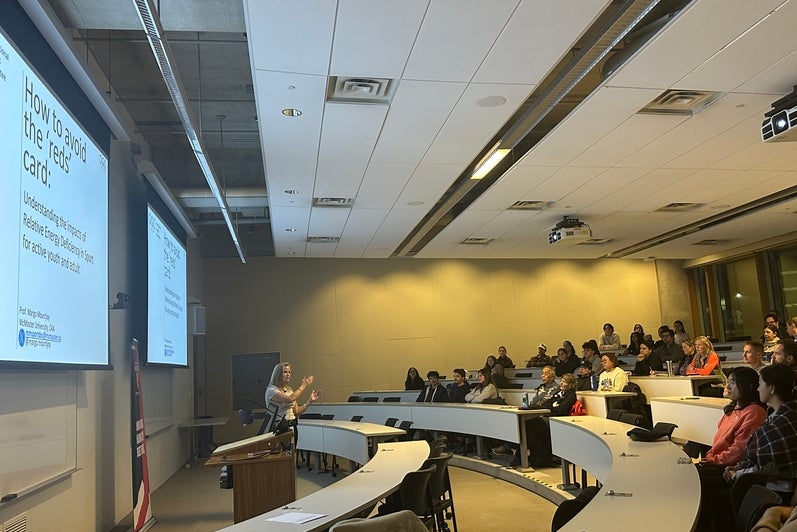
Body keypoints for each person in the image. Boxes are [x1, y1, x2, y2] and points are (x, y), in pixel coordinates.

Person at [695, 367, 768, 530]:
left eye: (733, 382)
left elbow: (738, 451)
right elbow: (719, 441)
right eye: (728, 382)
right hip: (718, 462)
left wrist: (712, 460)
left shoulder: (754, 412)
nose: (728, 386)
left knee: (695, 481)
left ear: (749, 386)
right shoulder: (732, 409)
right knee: (689, 474)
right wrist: (710, 457)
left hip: (731, 468)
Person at [265, 362, 322, 433]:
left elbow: (297, 411)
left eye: (289, 372)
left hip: (292, 426)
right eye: (285, 372)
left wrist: (309, 401)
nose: (288, 374)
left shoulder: (289, 390)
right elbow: (289, 399)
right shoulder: (272, 390)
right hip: (279, 428)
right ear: (278, 374)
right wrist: (304, 384)